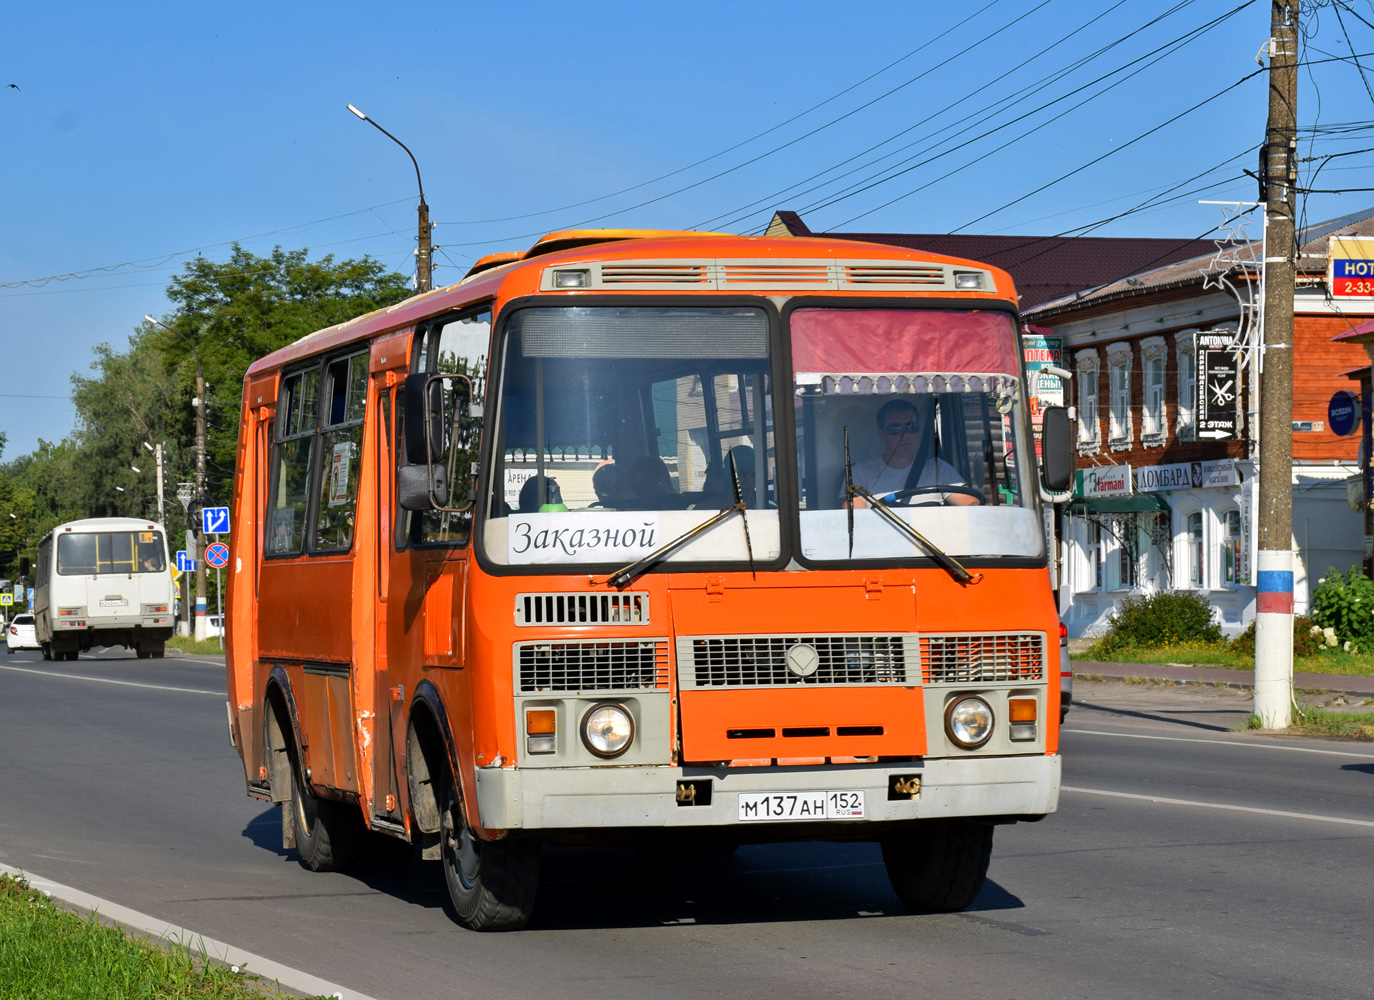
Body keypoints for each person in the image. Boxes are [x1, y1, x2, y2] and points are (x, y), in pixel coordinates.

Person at [844, 398, 980, 507]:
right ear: (882, 434)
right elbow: (855, 516)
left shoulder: (939, 469)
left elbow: (971, 506)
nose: (905, 434)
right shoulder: (860, 473)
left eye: (911, 427)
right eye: (896, 428)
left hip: (931, 541)